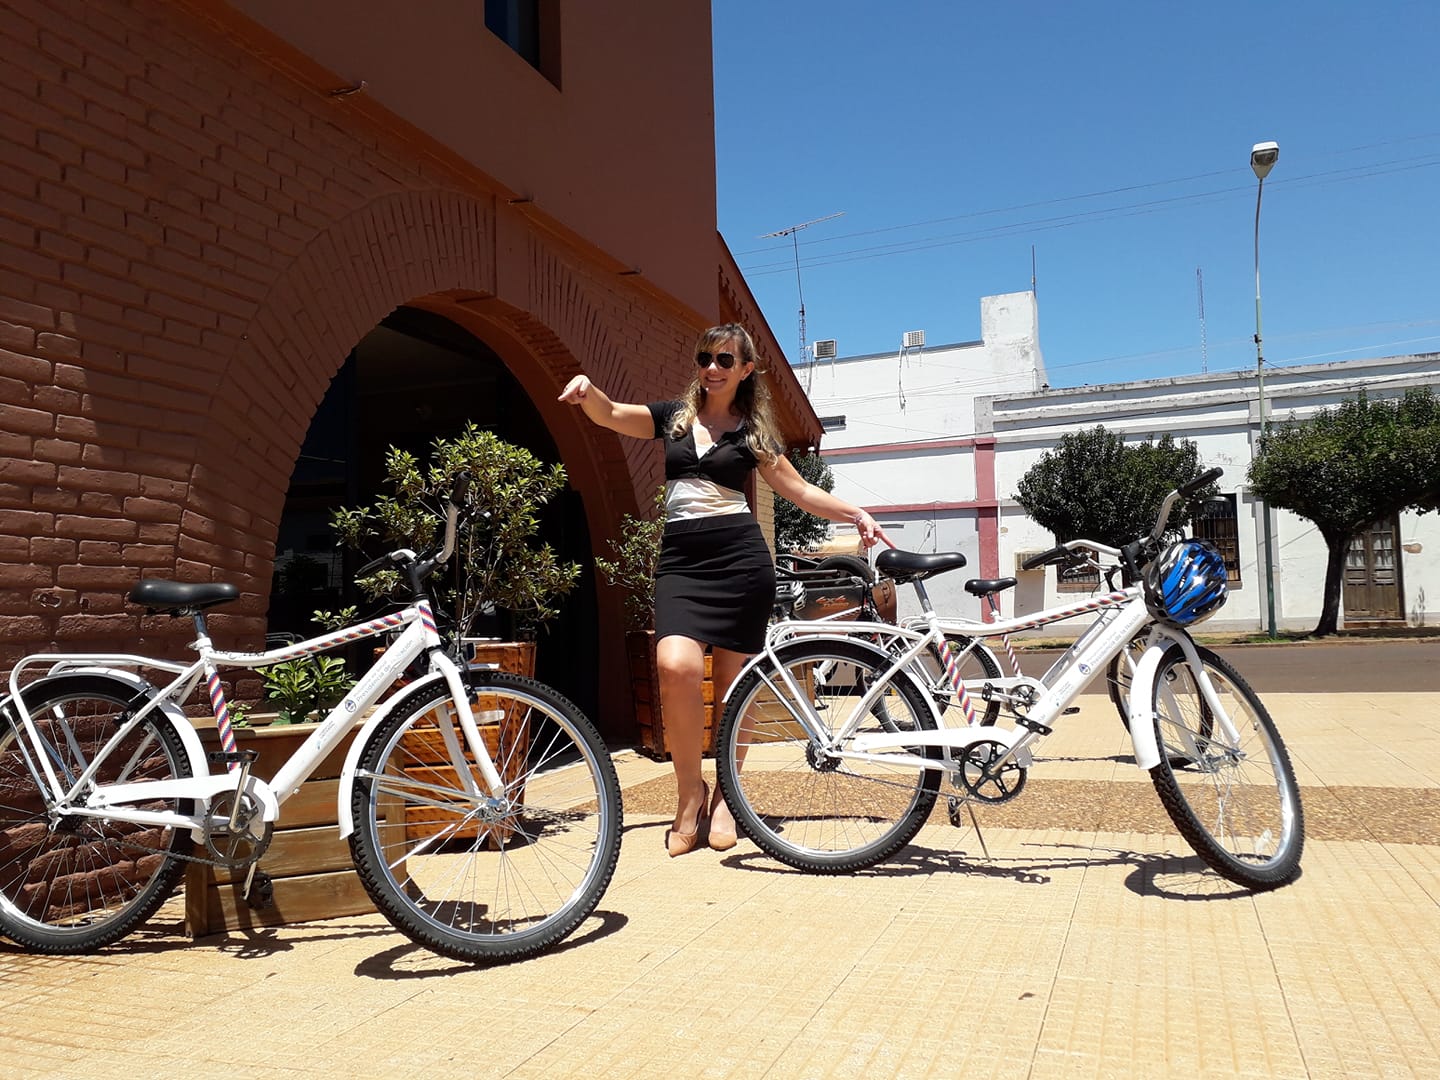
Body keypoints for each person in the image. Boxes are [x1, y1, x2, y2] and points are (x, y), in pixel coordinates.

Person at [559, 323, 891, 856]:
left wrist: (855, 513)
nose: (711, 367)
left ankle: (727, 800)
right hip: (682, 562)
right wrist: (588, 391)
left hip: (739, 562)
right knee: (675, 666)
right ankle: (690, 793)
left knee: (735, 691)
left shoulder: (752, 435)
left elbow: (798, 489)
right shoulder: (674, 417)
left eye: (723, 359)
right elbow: (614, 414)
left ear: (744, 369)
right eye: (704, 357)